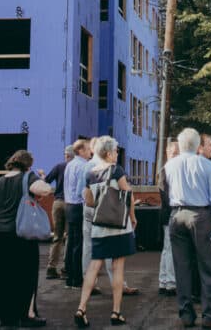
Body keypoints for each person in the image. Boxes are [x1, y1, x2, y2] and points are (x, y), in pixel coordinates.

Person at [164, 128, 211, 329]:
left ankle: (186, 314)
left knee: (182, 267)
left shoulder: (169, 166)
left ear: (181, 144)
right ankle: (209, 316)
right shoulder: (206, 165)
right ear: (197, 144)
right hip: (201, 215)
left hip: (177, 214)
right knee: (207, 266)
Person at [74, 136, 137, 328]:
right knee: (118, 266)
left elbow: (89, 200)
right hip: (118, 225)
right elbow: (128, 195)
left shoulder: (90, 173)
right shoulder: (116, 170)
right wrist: (133, 217)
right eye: (116, 151)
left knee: (94, 267)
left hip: (99, 226)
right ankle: (116, 312)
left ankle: (81, 308)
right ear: (109, 153)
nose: (117, 153)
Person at [0, 149, 52, 328]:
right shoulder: (28, 177)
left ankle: (6, 318)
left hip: (0, 232)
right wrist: (41, 178)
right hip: (21, 233)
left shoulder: (0, 181)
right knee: (26, 275)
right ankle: (26, 315)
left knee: (4, 276)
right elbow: (45, 189)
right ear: (28, 164)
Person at [64, 138, 92, 289]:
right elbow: (83, 190)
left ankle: (70, 277)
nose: (90, 151)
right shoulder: (83, 166)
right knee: (79, 244)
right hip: (78, 205)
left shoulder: (70, 164)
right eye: (88, 149)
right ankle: (76, 279)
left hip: (69, 205)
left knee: (71, 243)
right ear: (80, 150)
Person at [44, 149, 71, 278]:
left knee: (57, 236)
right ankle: (67, 268)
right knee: (70, 237)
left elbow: (46, 181)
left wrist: (42, 174)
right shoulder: (77, 166)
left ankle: (51, 267)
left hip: (58, 202)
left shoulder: (59, 166)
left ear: (66, 155)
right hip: (71, 203)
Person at [158, 141, 180, 296]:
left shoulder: (167, 170)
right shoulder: (166, 171)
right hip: (170, 213)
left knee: (167, 249)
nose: (177, 156)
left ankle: (164, 281)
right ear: (167, 153)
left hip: (168, 213)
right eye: (174, 153)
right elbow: (166, 195)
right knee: (170, 249)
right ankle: (169, 282)